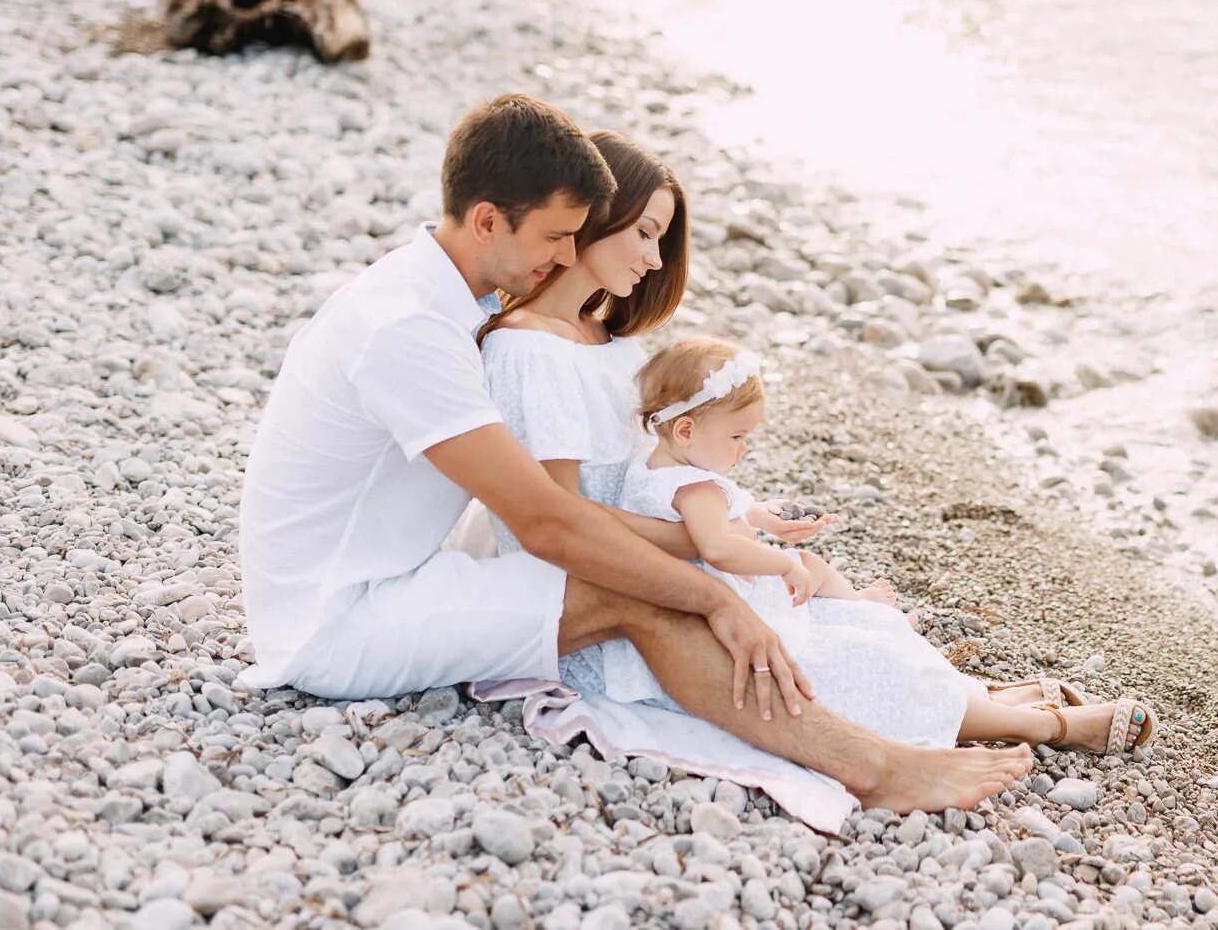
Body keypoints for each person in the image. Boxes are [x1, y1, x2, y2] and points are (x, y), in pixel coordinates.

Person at [236, 93, 1032, 812]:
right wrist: (711, 592)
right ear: (487, 220)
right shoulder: (407, 327)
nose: (562, 257)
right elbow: (548, 521)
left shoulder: (436, 300)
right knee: (644, 593)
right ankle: (876, 766)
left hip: (392, 578)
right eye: (554, 236)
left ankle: (907, 704)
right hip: (338, 620)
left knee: (663, 577)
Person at [490, 330, 1157, 754]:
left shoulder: (663, 469)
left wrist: (772, 524)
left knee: (856, 638)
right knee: (859, 668)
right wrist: (780, 556)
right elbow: (718, 547)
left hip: (686, 602)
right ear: (687, 431)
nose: (745, 449)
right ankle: (1047, 726)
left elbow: (724, 517)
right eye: (738, 437)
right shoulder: (694, 488)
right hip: (703, 613)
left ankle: (987, 695)